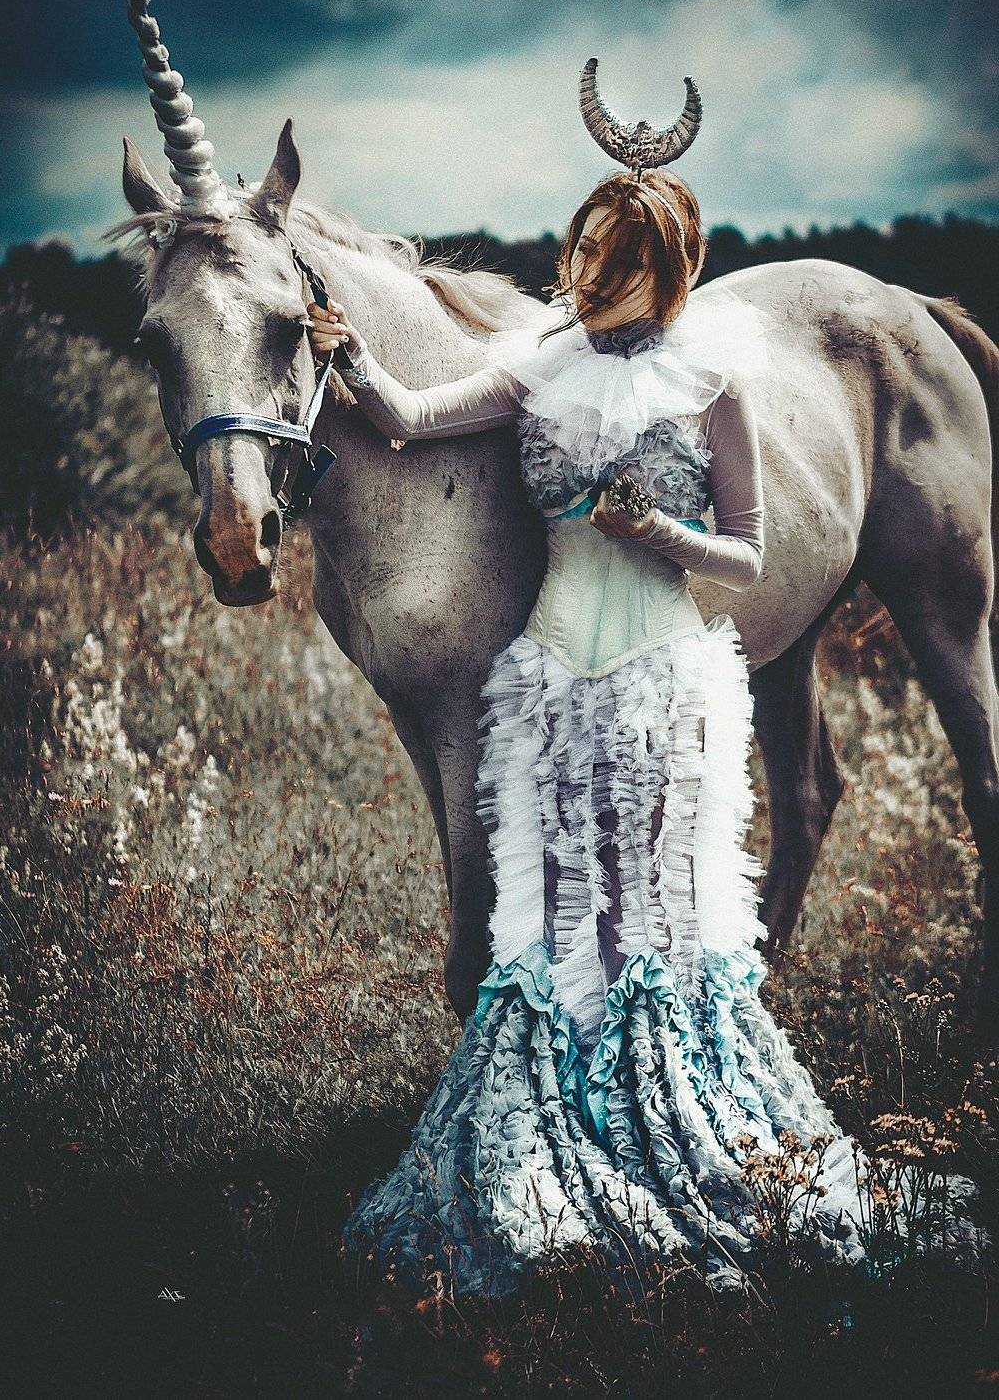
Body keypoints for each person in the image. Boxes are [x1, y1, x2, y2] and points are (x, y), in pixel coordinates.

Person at [307, 67, 981, 1297]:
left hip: (661, 667)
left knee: (660, 899)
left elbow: (750, 549)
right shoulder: (534, 368)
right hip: (556, 672)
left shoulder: (708, 383)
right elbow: (409, 418)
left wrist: (659, 538)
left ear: (660, 274)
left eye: (606, 260)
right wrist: (344, 355)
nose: (577, 275)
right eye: (575, 250)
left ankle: (678, 1102)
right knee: (565, 897)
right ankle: (566, 1099)